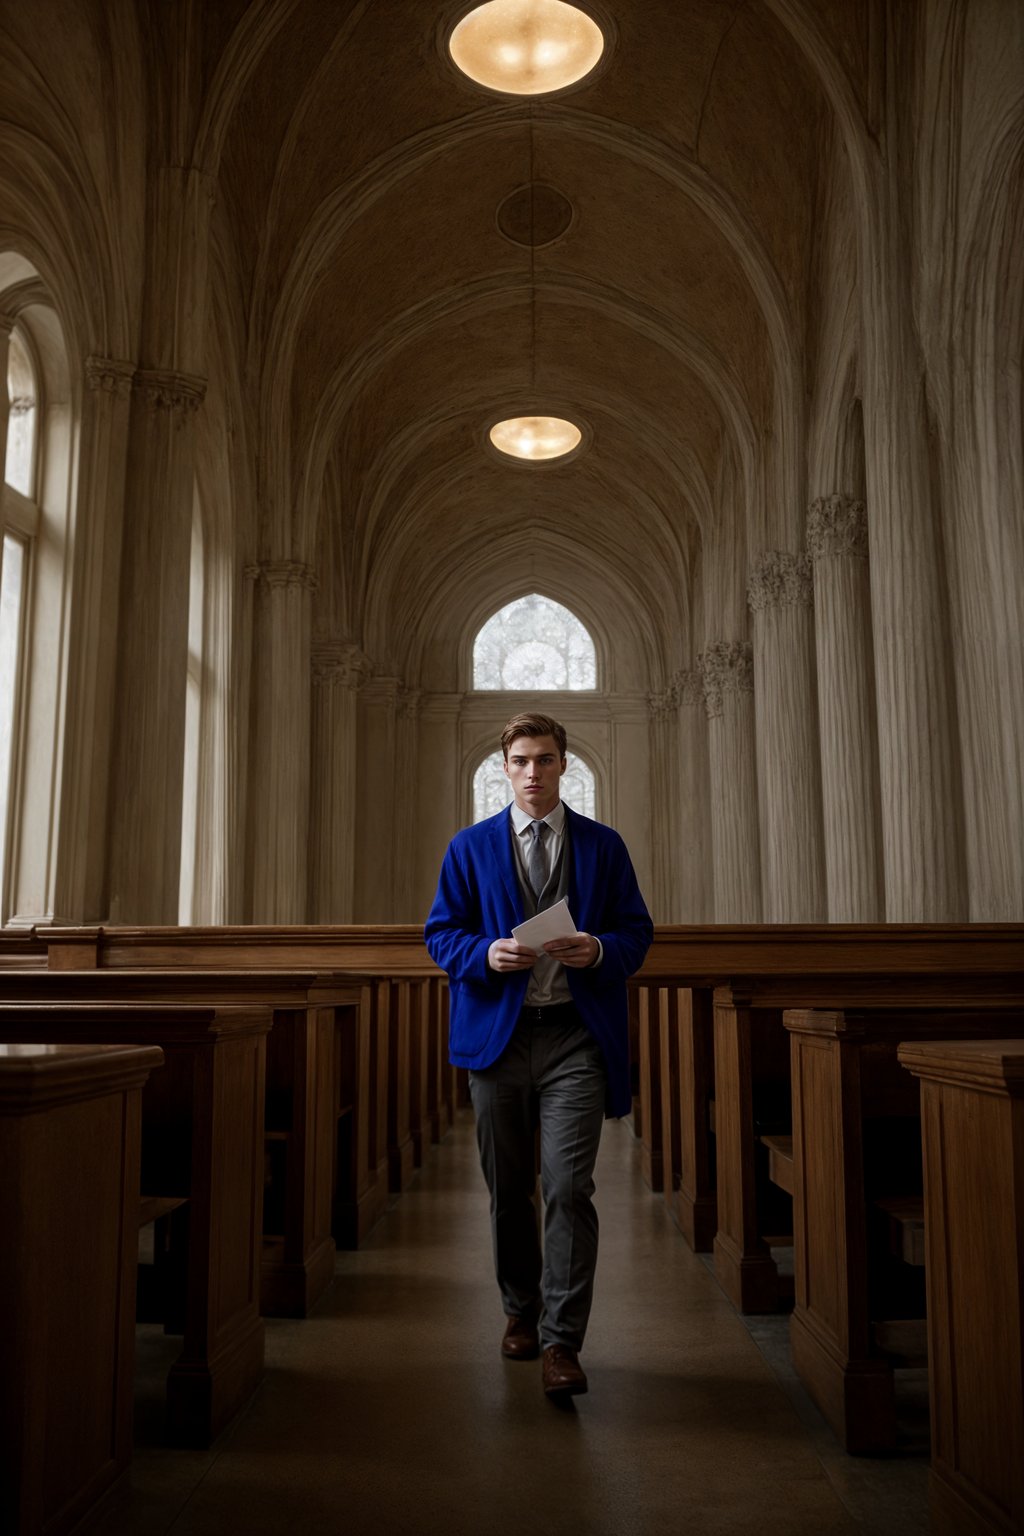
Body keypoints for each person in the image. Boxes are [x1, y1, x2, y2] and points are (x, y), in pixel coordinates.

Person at [424, 711, 653, 1398]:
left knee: (566, 1187)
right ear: (505, 767)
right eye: (521, 760)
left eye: (545, 760)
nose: (532, 772)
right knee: (509, 1192)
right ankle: (518, 1311)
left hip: (574, 1038)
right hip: (498, 1040)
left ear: (563, 765)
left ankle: (562, 1340)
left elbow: (636, 931)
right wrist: (482, 953)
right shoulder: (468, 848)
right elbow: (441, 934)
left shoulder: (603, 847)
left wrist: (602, 949)